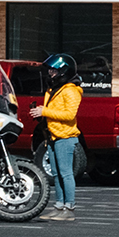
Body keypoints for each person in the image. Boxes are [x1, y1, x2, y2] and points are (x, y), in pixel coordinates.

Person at [31, 53, 82, 222]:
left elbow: (69, 114)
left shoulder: (71, 91)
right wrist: (41, 115)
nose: (51, 73)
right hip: (53, 136)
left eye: (54, 70)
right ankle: (59, 206)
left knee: (66, 173)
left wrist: (44, 111)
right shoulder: (53, 89)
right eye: (50, 69)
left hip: (65, 137)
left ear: (64, 71)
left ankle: (70, 208)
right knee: (56, 173)